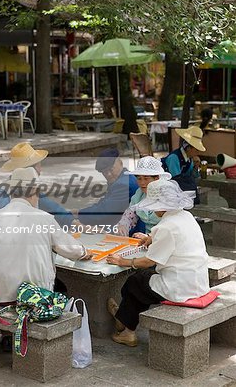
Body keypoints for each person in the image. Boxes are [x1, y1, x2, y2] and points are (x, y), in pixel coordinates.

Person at [106, 178, 210, 347]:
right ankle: (124, 323)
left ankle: (126, 329)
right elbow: (175, 239)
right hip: (197, 280)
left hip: (180, 287)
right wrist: (151, 239)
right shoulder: (186, 216)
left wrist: (122, 261)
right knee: (141, 282)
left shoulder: (166, 226)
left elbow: (148, 261)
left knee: (135, 282)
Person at [0, 167, 92, 303]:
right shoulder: (44, 218)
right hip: (34, 299)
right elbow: (71, 249)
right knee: (62, 292)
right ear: (34, 192)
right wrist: (84, 251)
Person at [0, 142, 78, 264]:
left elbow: (51, 206)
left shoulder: (30, 189)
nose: (41, 170)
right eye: (39, 166)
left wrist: (73, 222)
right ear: (30, 170)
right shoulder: (2, 194)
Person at [74, 148, 139, 227]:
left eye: (111, 170)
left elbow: (105, 212)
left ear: (120, 163)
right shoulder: (124, 177)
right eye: (104, 172)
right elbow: (104, 204)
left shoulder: (122, 184)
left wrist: (79, 214)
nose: (108, 174)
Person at [116, 156, 171, 236]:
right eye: (139, 178)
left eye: (146, 178)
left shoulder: (168, 195)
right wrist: (123, 226)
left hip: (166, 238)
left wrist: (149, 237)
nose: (142, 183)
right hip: (146, 241)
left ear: (156, 178)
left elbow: (172, 225)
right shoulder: (139, 195)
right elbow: (130, 215)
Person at [161, 126, 206, 202]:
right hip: (168, 189)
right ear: (188, 148)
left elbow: (193, 176)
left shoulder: (189, 159)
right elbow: (176, 179)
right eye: (196, 149)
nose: (198, 152)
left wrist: (196, 166)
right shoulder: (174, 158)